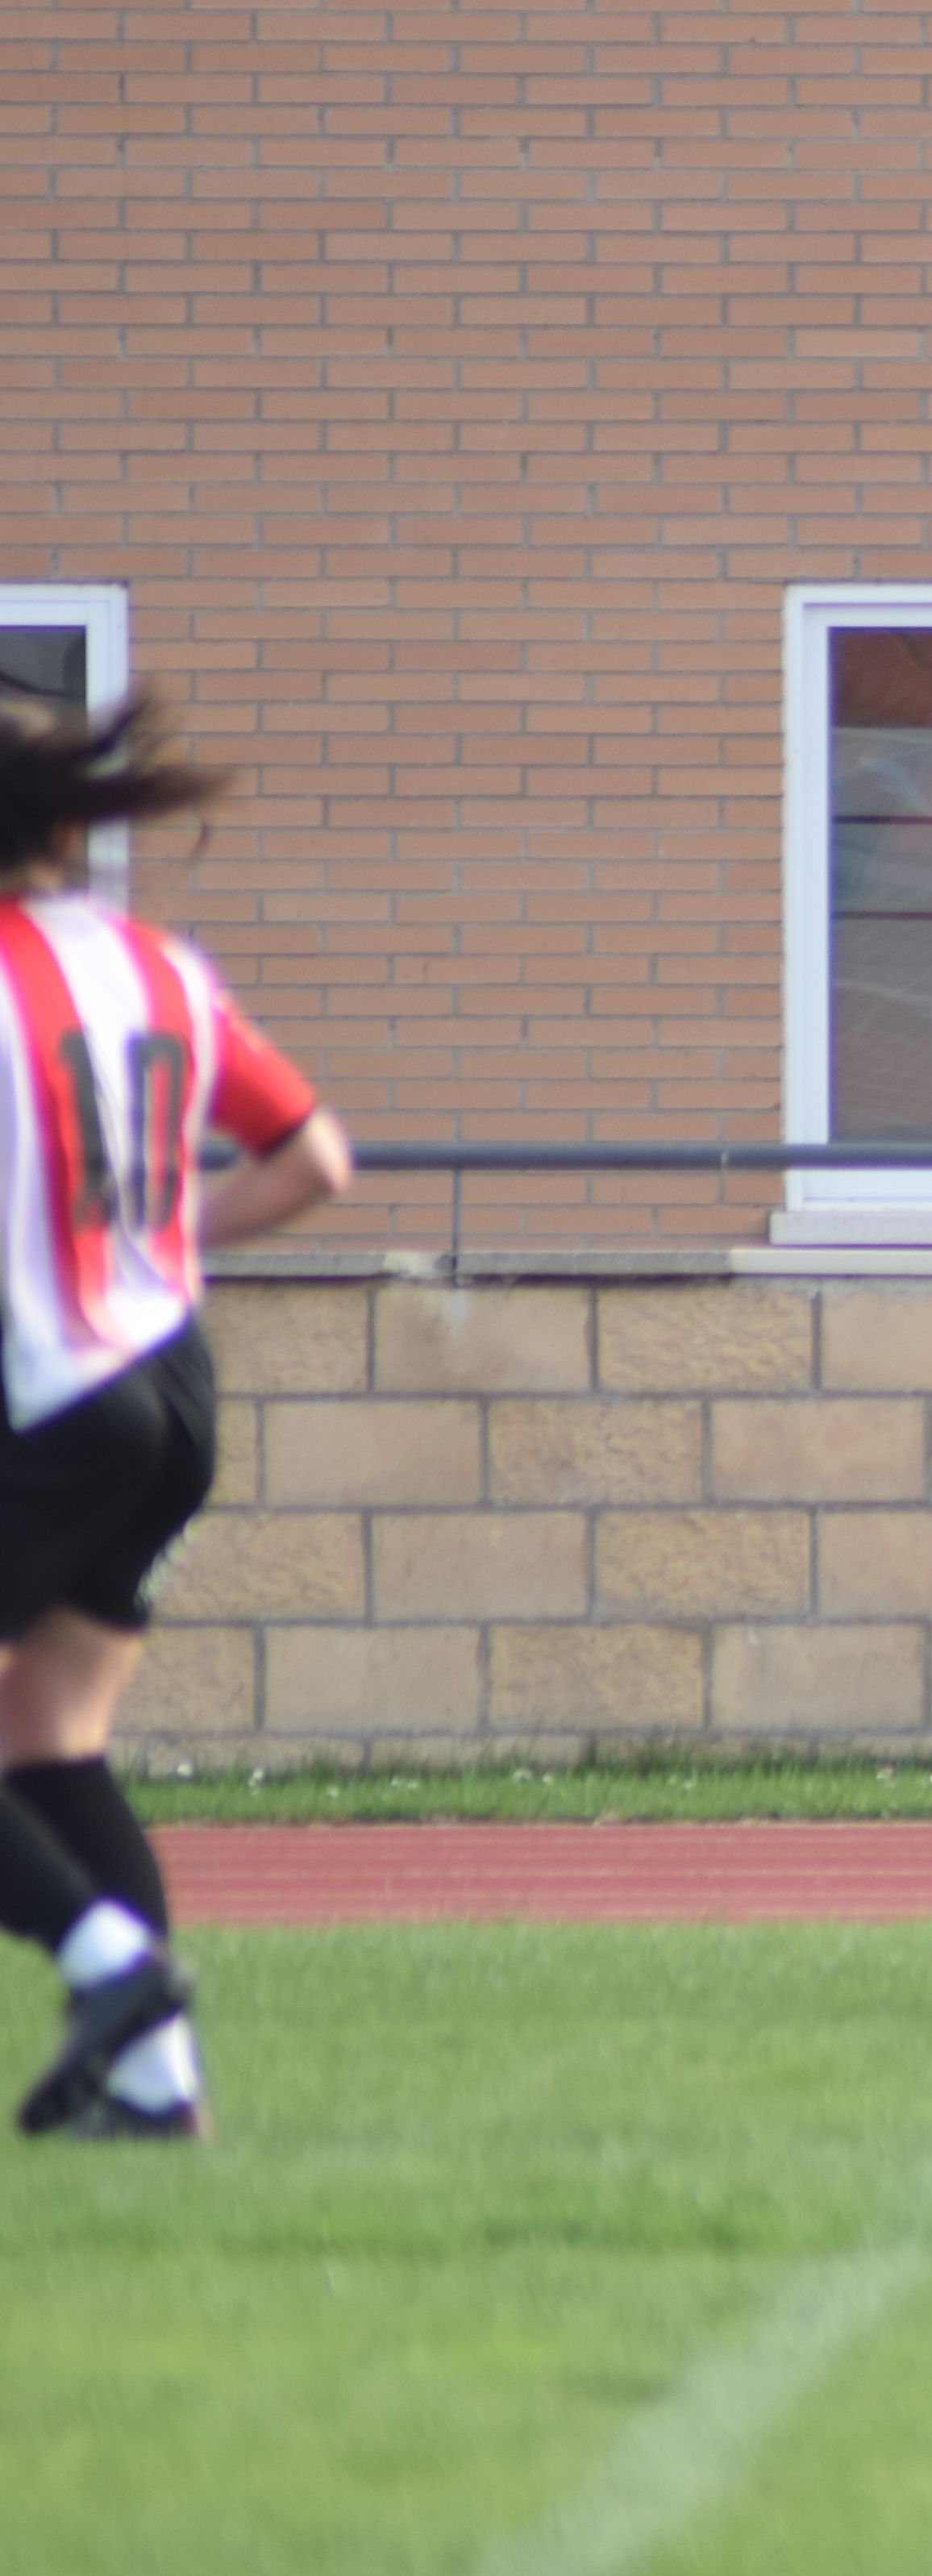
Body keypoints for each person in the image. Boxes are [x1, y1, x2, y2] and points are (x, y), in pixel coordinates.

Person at [0, 699, 356, 2141]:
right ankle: (157, 2097)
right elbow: (316, 1160)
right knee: (50, 1736)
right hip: (175, 1384)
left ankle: (110, 1972)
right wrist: (159, 1244)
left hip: (51, 1397)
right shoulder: (158, 966)